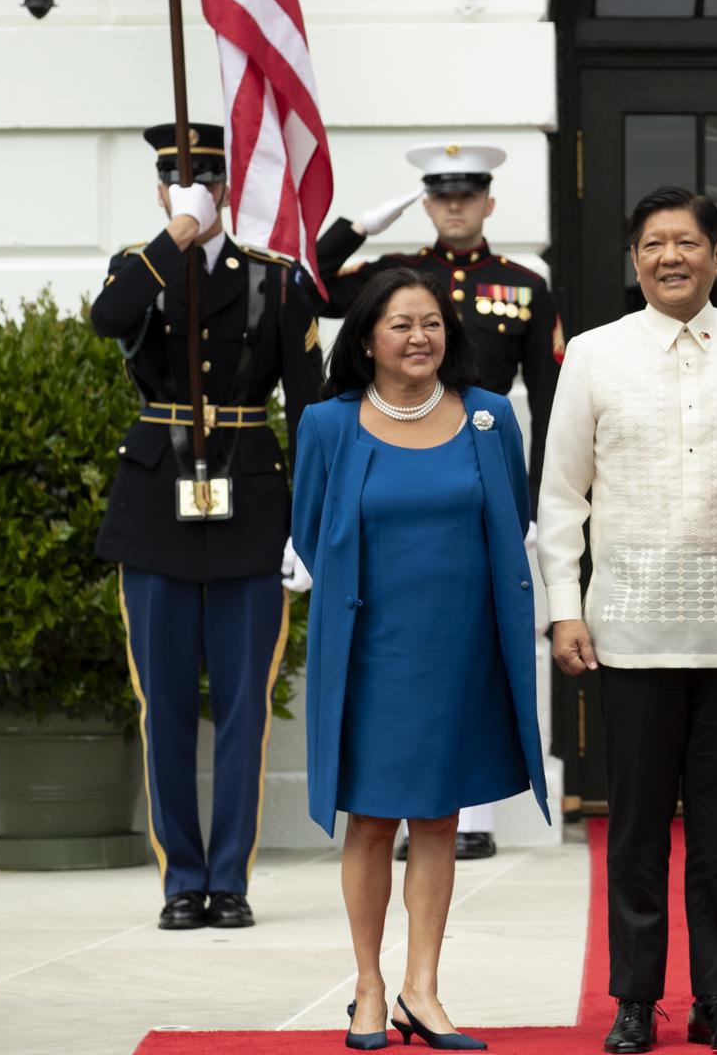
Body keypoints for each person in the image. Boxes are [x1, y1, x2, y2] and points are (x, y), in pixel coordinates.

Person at [541, 188, 717, 1055]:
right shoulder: (592, 355)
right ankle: (635, 999)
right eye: (655, 244)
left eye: (689, 243)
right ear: (636, 260)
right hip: (625, 627)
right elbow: (561, 497)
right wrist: (564, 609)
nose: (673, 257)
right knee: (632, 832)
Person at [291, 267, 551, 1051]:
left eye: (431, 323)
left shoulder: (488, 417)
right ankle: (368, 988)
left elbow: (509, 512)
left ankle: (422, 990)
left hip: (461, 649)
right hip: (371, 651)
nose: (418, 338)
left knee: (438, 818)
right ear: (366, 338)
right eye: (401, 324)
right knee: (370, 820)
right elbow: (309, 531)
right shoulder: (328, 425)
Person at [91, 121, 322, 932]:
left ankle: (229, 879)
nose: (195, 193)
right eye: (180, 184)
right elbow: (104, 317)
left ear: (229, 187)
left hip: (252, 507)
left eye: (208, 183)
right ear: (161, 191)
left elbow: (315, 411)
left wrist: (310, 528)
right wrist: (177, 235)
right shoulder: (140, 268)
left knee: (243, 707)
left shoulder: (275, 281)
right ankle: (179, 879)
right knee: (164, 707)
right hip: (157, 507)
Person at [314, 142, 564, 861]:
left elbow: (546, 398)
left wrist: (541, 498)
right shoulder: (400, 279)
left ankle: (471, 817)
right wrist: (357, 228)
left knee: (472, 640)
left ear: (488, 203)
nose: (455, 206)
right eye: (442, 196)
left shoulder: (524, 283)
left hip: (483, 478)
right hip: (400, 470)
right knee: (415, 645)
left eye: (469, 195)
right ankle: (414, 802)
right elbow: (314, 284)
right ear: (426, 204)